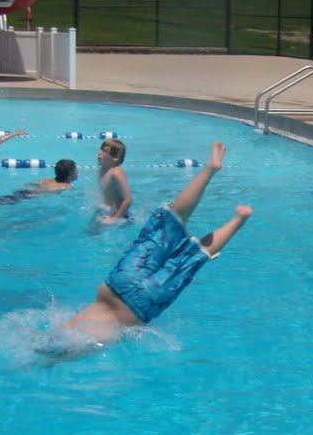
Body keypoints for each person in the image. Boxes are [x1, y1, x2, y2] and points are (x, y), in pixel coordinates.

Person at [58, 141, 250, 349]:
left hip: (141, 307)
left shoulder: (69, 335)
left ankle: (238, 220)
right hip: (117, 284)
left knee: (196, 256)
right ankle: (209, 170)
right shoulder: (67, 326)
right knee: (173, 215)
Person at [0, 158, 78, 203]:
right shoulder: (67, 187)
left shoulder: (46, 180)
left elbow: (28, 183)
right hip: (30, 196)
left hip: (22, 192)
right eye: (76, 169)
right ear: (72, 173)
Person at [94, 137, 133, 224]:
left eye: (104, 151)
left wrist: (113, 219)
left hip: (121, 217)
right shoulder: (102, 170)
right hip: (107, 213)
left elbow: (128, 200)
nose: (99, 153)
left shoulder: (116, 173)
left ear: (115, 157)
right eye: (100, 150)